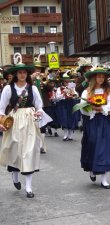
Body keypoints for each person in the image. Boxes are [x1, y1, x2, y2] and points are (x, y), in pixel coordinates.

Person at [0, 59, 44, 198]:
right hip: (14, 121)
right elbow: (1, 109)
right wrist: (1, 122)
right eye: (20, 72)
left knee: (29, 151)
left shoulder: (33, 88)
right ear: (15, 74)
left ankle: (29, 187)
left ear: (27, 74)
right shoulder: (8, 88)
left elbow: (39, 106)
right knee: (15, 150)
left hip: (29, 122)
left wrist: (38, 112)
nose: (22, 74)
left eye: (24, 72)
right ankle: (15, 175)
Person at [80, 67, 110, 189]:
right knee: (92, 144)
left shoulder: (108, 90)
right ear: (93, 78)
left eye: (103, 77)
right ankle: (92, 169)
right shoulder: (87, 92)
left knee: (105, 147)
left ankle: (104, 178)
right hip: (92, 121)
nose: (101, 79)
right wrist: (91, 110)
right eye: (98, 76)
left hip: (104, 120)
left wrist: (101, 109)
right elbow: (82, 108)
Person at [55, 72, 79, 141]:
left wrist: (73, 93)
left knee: (72, 118)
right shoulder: (60, 88)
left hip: (71, 103)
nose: (67, 82)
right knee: (64, 118)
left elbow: (76, 95)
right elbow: (57, 98)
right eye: (65, 81)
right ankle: (65, 134)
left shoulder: (72, 87)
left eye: (68, 81)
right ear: (63, 81)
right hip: (64, 104)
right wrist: (63, 93)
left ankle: (70, 134)